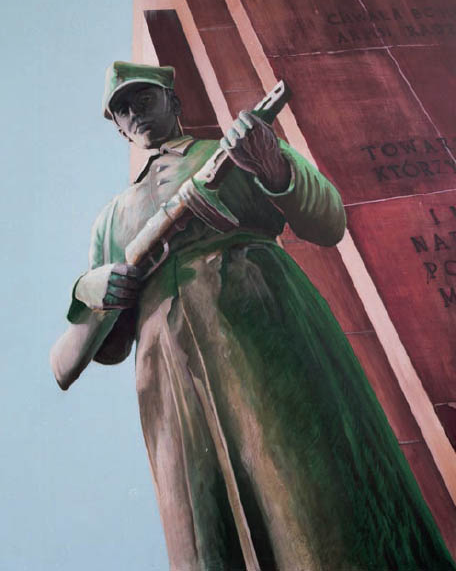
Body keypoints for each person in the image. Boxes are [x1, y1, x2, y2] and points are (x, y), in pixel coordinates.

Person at [51, 62, 456, 571]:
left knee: (312, 496)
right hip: (168, 372)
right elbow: (70, 361)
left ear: (174, 101)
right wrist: (90, 289)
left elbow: (328, 218)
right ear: (117, 127)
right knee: (203, 530)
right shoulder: (110, 220)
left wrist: (272, 167)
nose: (135, 113)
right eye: (122, 109)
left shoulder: (234, 147)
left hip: (265, 321)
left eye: (144, 99)